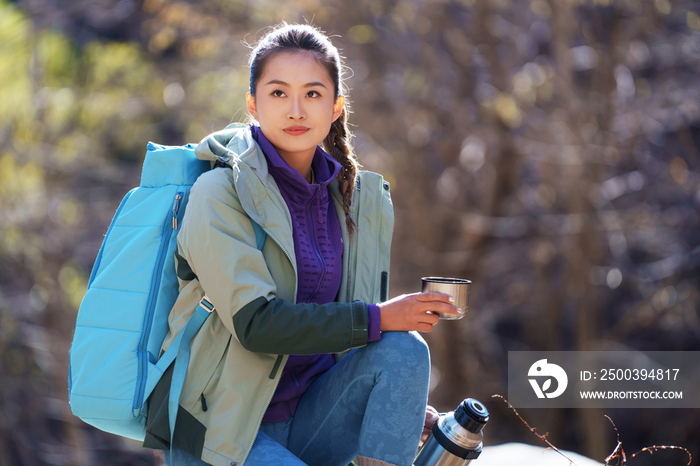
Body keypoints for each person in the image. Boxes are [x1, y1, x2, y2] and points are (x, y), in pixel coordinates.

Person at [142, 22, 460, 466]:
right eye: (277, 93)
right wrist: (380, 317)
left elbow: (342, 336)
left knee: (404, 349)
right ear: (253, 104)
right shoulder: (218, 194)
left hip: (309, 418)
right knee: (388, 328)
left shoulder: (344, 199)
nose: (296, 110)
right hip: (224, 429)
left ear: (335, 107)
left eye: (312, 94)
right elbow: (258, 326)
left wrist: (391, 407)